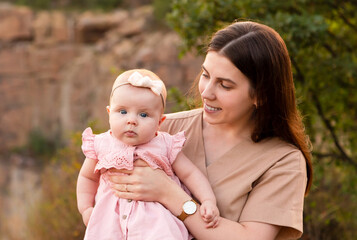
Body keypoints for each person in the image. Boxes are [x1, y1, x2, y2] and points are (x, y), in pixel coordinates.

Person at [108, 21, 313, 240]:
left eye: (225, 85)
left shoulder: (283, 162)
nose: (206, 93)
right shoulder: (165, 130)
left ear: (260, 95)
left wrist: (169, 194)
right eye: (206, 75)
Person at [76, 69, 220, 240]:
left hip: (156, 226)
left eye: (143, 114)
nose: (131, 120)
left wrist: (208, 200)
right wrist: (86, 208)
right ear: (109, 113)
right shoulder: (100, 144)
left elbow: (190, 174)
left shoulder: (165, 145)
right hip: (108, 225)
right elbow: (87, 178)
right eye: (122, 111)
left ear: (160, 122)